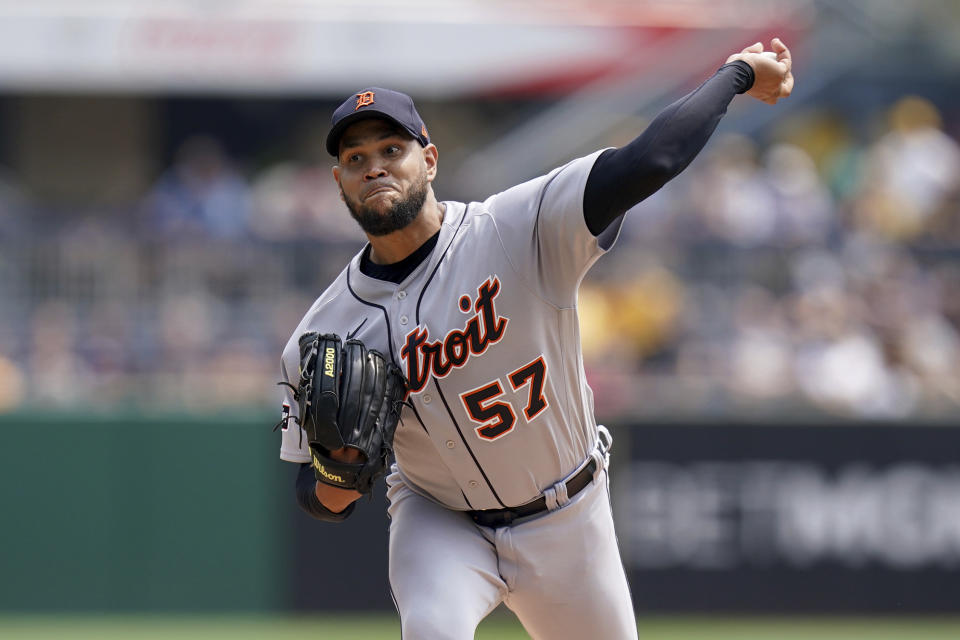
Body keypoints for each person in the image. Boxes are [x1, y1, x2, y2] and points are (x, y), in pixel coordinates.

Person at [276, 38, 793, 639]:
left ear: (431, 160)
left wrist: (734, 75)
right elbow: (316, 499)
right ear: (339, 179)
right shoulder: (322, 332)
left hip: (567, 515)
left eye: (393, 149)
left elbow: (650, 161)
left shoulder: (517, 228)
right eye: (356, 157)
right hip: (439, 520)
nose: (375, 167)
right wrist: (338, 473)